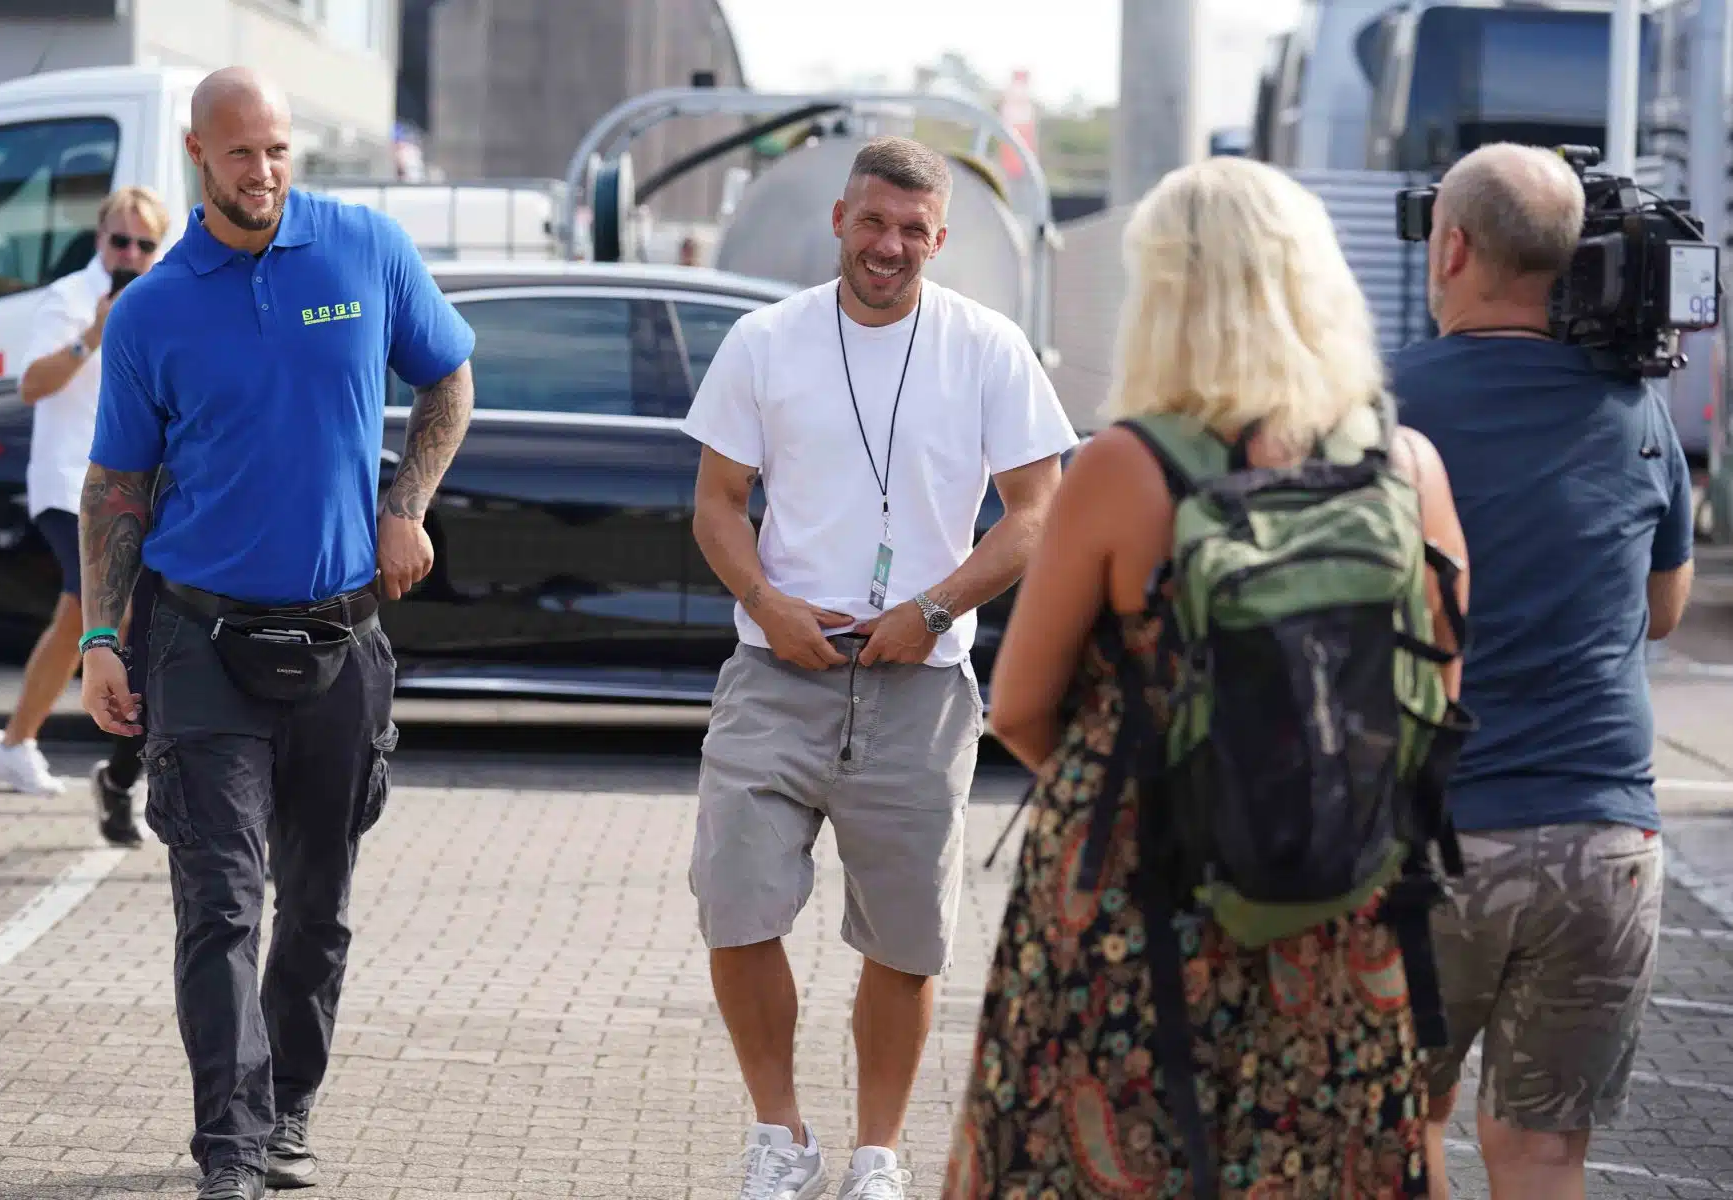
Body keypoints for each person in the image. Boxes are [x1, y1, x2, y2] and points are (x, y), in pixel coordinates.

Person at [943, 155, 1471, 1198]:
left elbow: (1020, 706)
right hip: (1340, 894)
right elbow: (1438, 696)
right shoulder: (1404, 465)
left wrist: (1162, 784)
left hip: (1139, 900)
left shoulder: (1125, 465)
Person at [76, 66, 476, 1200]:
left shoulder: (364, 249)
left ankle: (289, 1107)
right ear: (197, 155)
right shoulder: (152, 310)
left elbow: (449, 380)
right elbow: (117, 486)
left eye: (279, 150)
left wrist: (405, 505)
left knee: (318, 908)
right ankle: (233, 1148)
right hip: (199, 644)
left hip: (343, 639)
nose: (264, 172)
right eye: (242, 152)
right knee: (220, 907)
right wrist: (100, 637)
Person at [683, 134, 1077, 1200]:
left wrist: (934, 608)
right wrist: (766, 603)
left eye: (912, 229)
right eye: (872, 222)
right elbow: (716, 504)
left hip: (921, 684)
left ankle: (877, 1155)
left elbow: (1035, 510)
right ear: (839, 222)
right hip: (777, 669)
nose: (889, 245)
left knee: (905, 939)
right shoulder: (766, 341)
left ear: (938, 239)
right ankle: (781, 1135)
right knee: (736, 904)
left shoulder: (988, 348)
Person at [1389, 142, 1693, 1200]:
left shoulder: (1380, 403)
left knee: (1397, 1125)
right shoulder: (1639, 409)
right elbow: (1664, 612)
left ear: (1453, 248)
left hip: (1428, 840)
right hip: (1604, 844)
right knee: (1545, 1152)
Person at [0, 186, 168, 846]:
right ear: (99, 240)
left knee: (78, 618)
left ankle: (18, 742)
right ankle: (122, 767)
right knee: (108, 612)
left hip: (133, 489)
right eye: (120, 241)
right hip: (68, 487)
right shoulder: (69, 297)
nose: (130, 254)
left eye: (145, 244)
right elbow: (32, 384)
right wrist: (92, 335)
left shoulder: (160, 300)